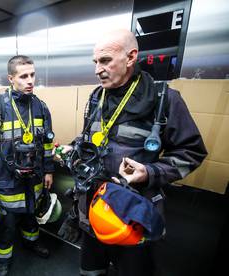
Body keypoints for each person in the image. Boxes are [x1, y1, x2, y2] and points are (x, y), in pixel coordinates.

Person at [55, 29, 207, 276]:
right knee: (91, 270)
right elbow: (91, 139)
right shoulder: (97, 97)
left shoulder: (162, 99)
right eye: (95, 62)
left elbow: (192, 152)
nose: (97, 70)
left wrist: (150, 172)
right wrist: (75, 148)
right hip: (93, 205)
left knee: (134, 269)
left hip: (132, 211)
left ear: (130, 57)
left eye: (105, 60)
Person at [0, 55, 55, 276]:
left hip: (34, 178)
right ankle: (2, 260)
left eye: (32, 75)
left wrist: (48, 170)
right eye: (24, 76)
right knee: (7, 225)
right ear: (11, 78)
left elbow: (47, 143)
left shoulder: (40, 106)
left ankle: (31, 243)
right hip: (6, 179)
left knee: (31, 215)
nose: (30, 80)